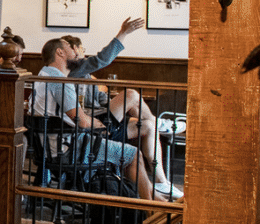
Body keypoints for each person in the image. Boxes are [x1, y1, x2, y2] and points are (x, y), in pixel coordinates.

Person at [31, 38, 169, 201]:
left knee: (136, 135)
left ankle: (158, 199)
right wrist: (98, 124)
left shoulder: (43, 74)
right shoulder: (59, 81)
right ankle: (150, 210)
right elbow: (82, 121)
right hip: (69, 148)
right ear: (60, 52)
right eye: (69, 47)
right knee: (133, 155)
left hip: (50, 147)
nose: (75, 51)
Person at [61, 18, 177, 197]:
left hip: (102, 123)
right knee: (131, 94)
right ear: (73, 50)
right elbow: (102, 59)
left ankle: (161, 181)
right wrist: (123, 33)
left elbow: (103, 101)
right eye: (81, 49)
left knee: (147, 126)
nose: (83, 53)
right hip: (91, 128)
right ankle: (162, 123)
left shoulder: (88, 77)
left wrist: (111, 98)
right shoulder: (71, 71)